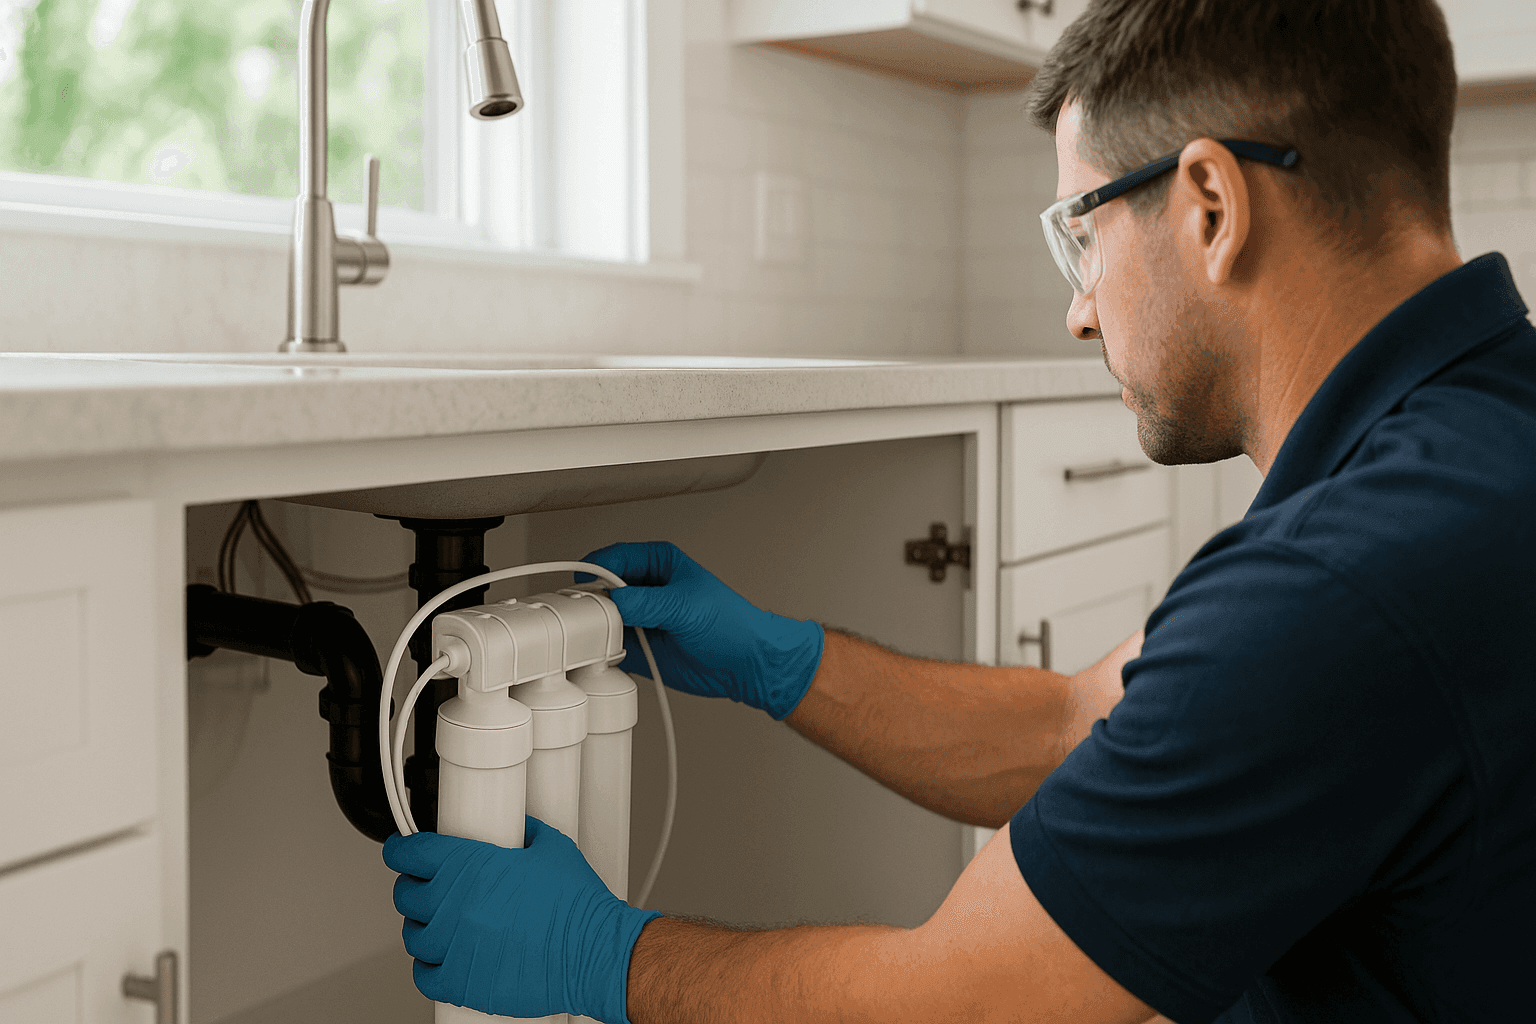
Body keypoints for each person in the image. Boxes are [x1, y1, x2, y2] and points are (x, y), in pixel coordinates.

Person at [381, 0, 1536, 1020]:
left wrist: (604, 955)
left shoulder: (1345, 579)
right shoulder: (1473, 442)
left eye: (1082, 233)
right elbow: (1083, 725)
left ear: (1211, 206)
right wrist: (781, 663)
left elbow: (965, 1000)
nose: (1081, 312)